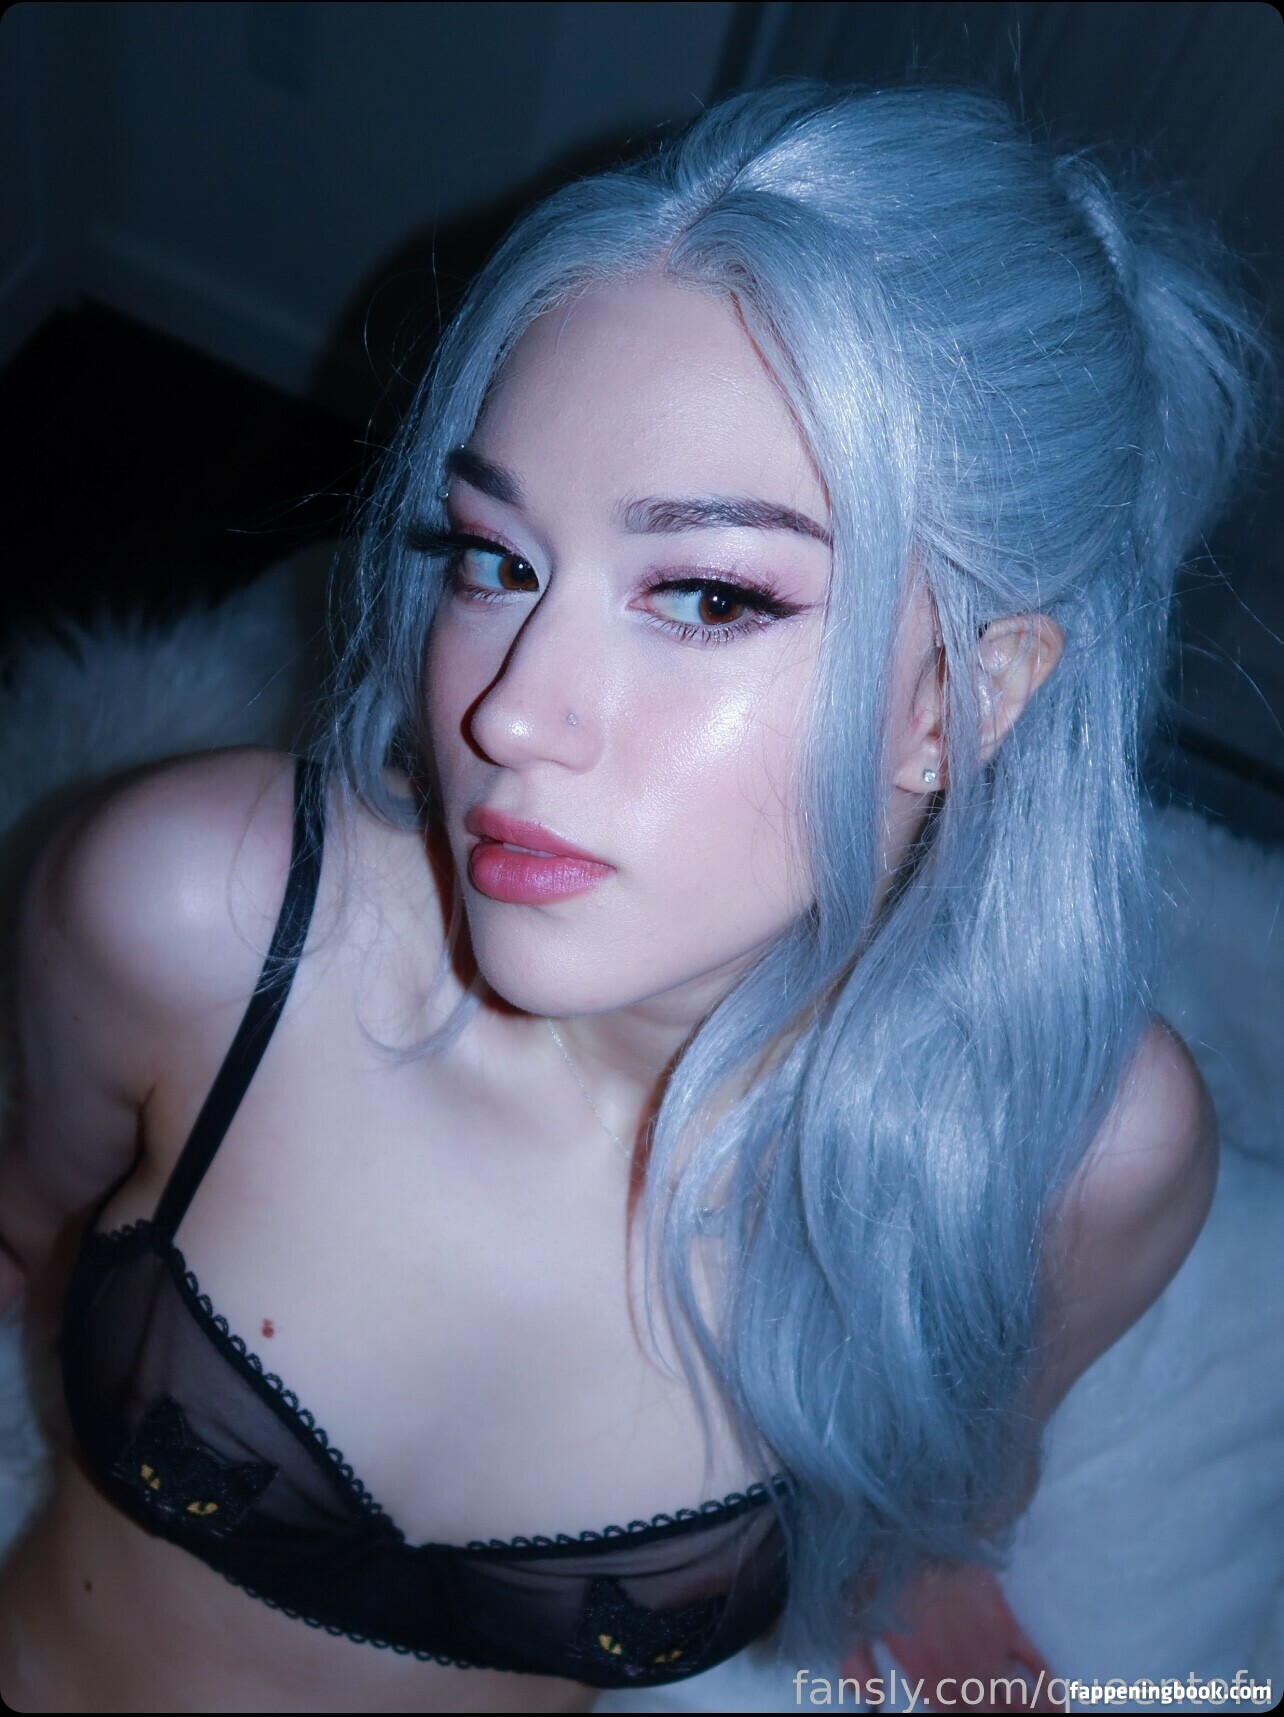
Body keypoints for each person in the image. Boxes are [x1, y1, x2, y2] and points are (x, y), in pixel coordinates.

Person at [0, 79, 1265, 1714]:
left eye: (708, 595)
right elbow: (32, 1214)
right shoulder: (189, 918)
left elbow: (961, 1449)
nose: (509, 713)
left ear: (966, 696)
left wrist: (926, 1560)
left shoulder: (1078, 1153)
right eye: (495, 559)